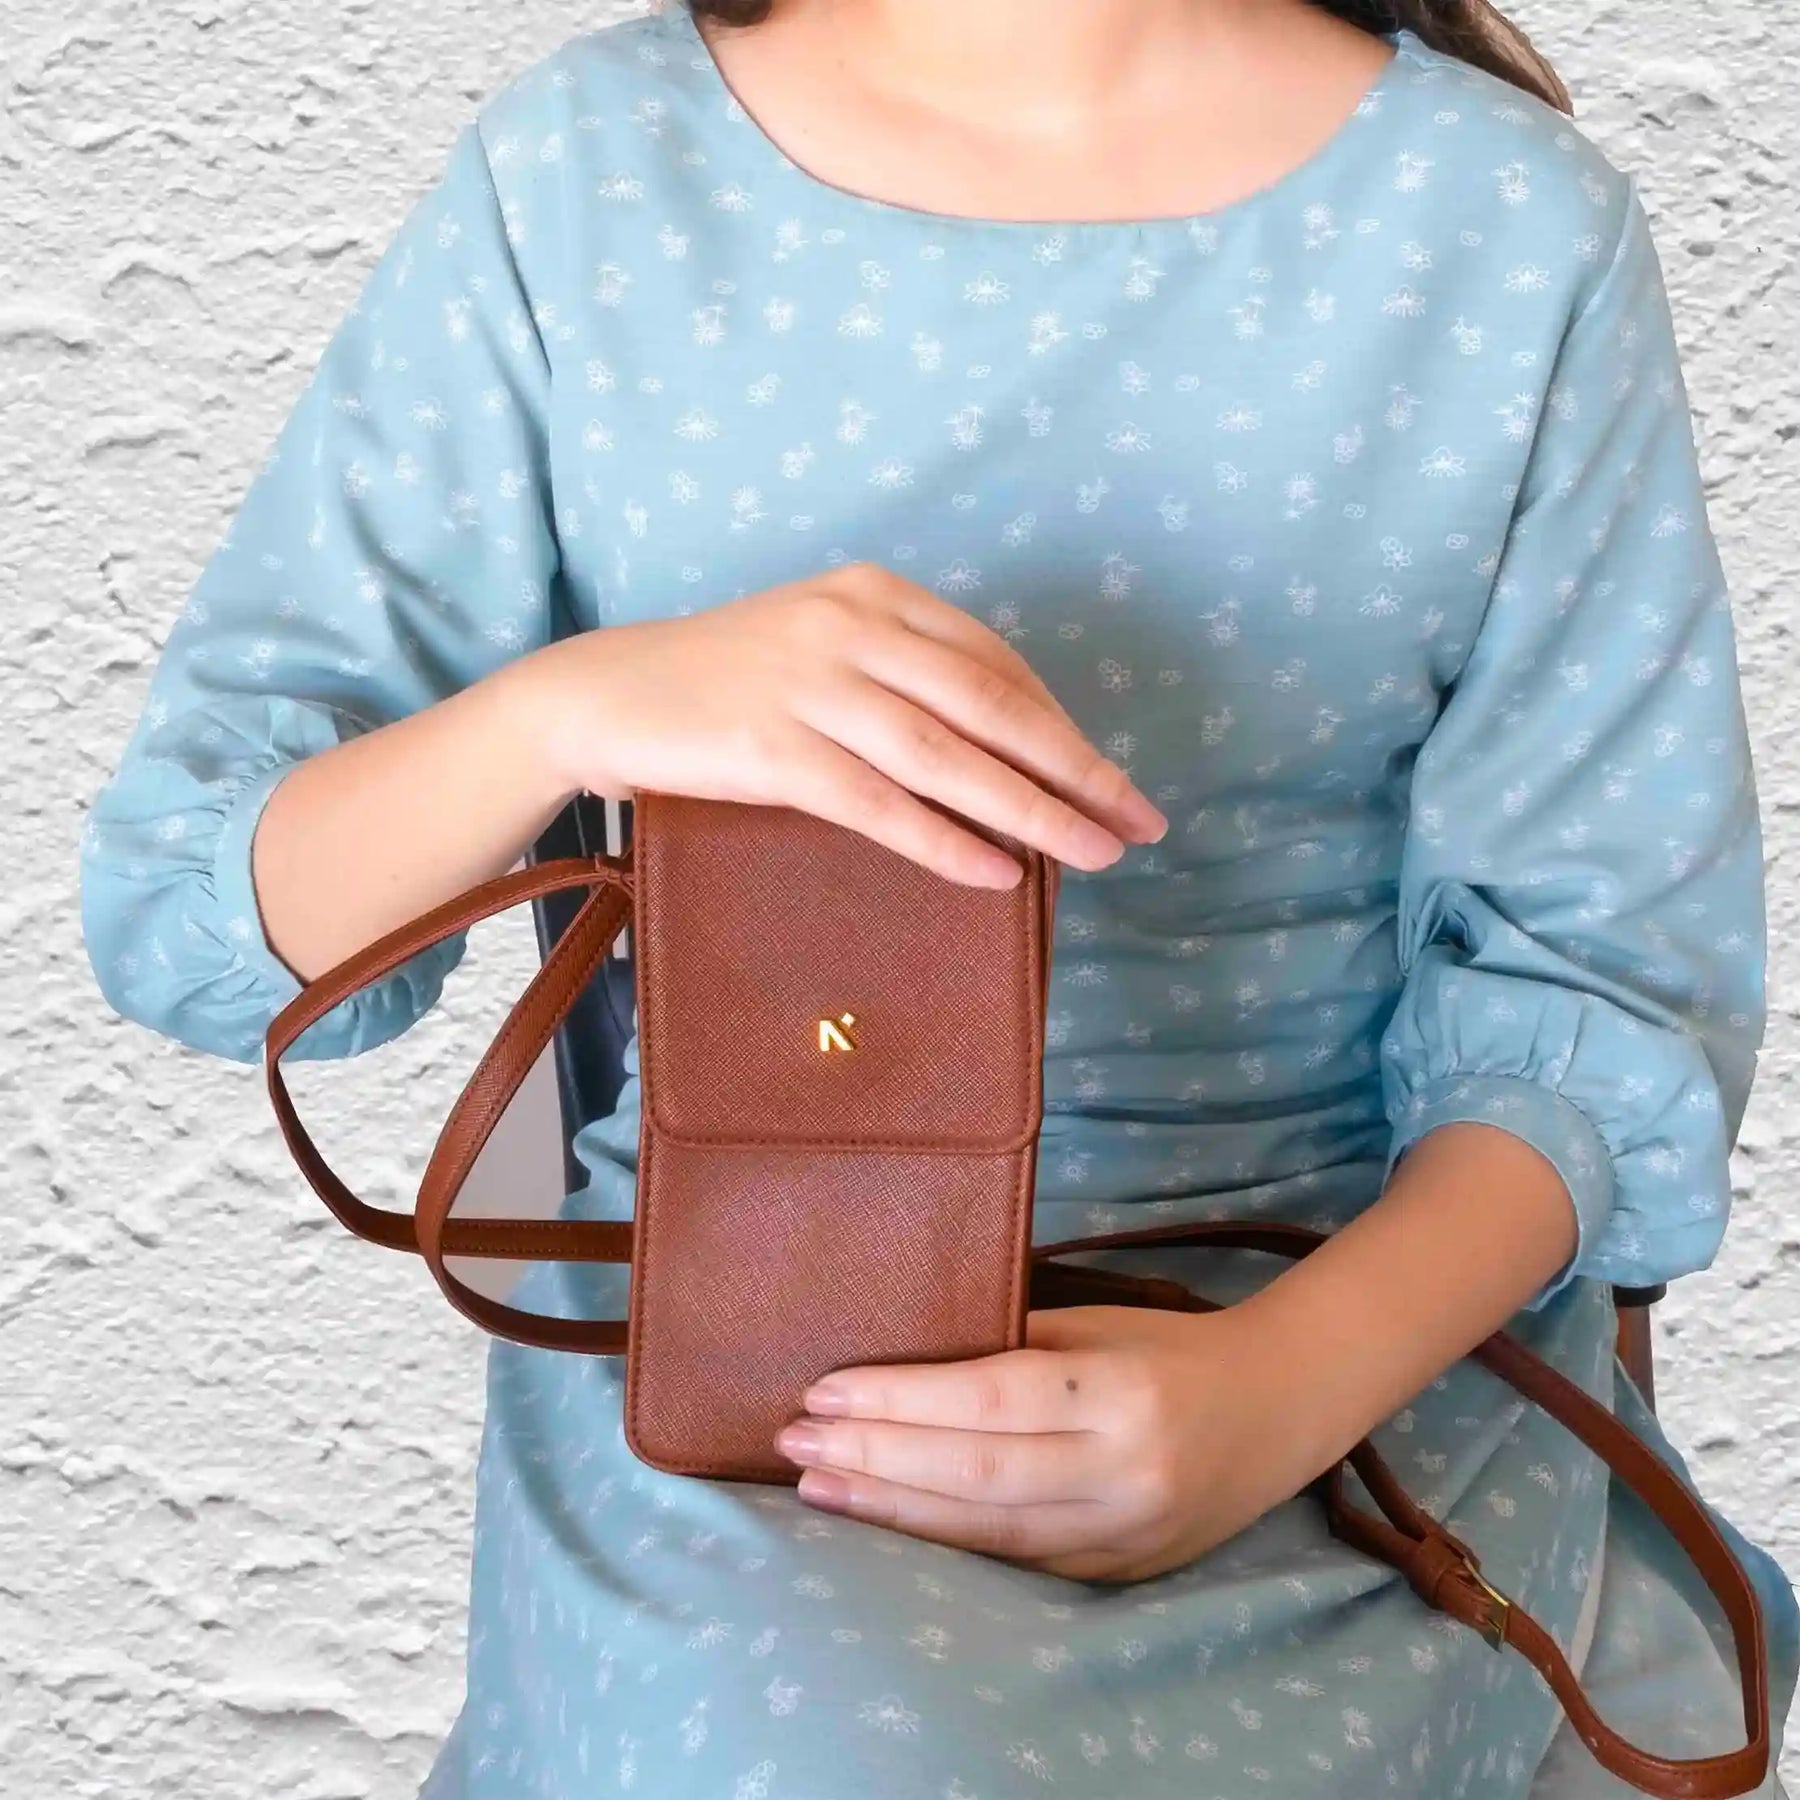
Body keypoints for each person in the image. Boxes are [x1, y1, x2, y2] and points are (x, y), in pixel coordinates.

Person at [79, 1, 1798, 1794]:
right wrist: (568, 709)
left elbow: (1601, 992)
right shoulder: (584, 173)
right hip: (765, 1373)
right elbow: (194, 923)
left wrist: (1272, 1396)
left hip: (1360, 1363)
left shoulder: (1509, 222)